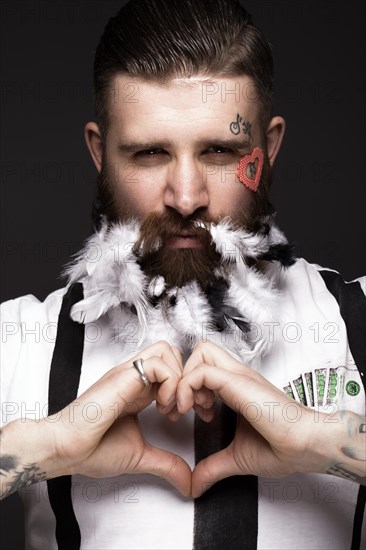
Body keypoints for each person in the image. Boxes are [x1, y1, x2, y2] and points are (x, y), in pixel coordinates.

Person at [1, 0, 365, 549]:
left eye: (221, 150)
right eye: (149, 153)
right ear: (100, 154)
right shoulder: (17, 341)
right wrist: (44, 447)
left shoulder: (358, 321)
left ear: (268, 148)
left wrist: (325, 441)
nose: (187, 197)